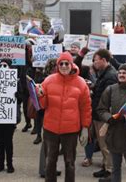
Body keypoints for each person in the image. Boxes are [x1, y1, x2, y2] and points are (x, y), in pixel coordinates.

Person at [37, 51, 91, 182]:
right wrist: (40, 95)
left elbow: (86, 108)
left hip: (71, 130)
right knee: (50, 161)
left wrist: (85, 128)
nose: (64, 66)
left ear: (72, 65)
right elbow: (43, 106)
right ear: (57, 65)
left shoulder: (81, 83)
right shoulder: (48, 80)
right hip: (51, 129)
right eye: (61, 63)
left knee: (70, 162)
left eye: (67, 63)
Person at [91, 49, 119, 179]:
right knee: (102, 144)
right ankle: (105, 166)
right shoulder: (104, 73)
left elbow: (108, 99)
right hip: (99, 114)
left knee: (105, 144)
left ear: (103, 60)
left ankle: (110, 171)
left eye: (95, 60)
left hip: (104, 116)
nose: (94, 62)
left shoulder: (110, 76)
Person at [0, 59, 22, 174]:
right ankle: (0, 163)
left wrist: (16, 95)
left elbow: (20, 99)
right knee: (0, 141)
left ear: (10, 67)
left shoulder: (15, 80)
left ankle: (9, 164)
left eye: (5, 65)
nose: (2, 67)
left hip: (9, 116)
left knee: (8, 141)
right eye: (0, 65)